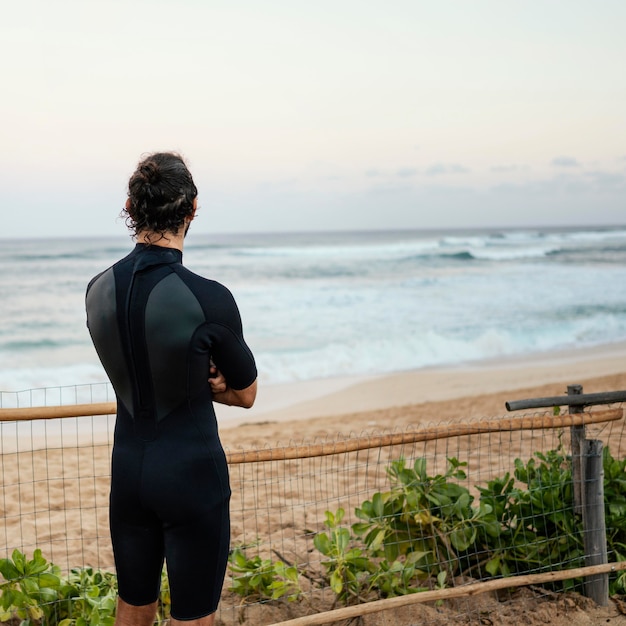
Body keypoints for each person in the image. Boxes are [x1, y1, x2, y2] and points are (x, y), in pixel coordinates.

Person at [85, 152, 257, 626]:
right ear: (193, 208)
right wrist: (215, 384)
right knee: (194, 617)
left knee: (133, 608)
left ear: (130, 205)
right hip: (190, 477)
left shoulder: (97, 288)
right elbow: (246, 393)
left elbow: (136, 364)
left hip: (128, 474)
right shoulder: (209, 298)